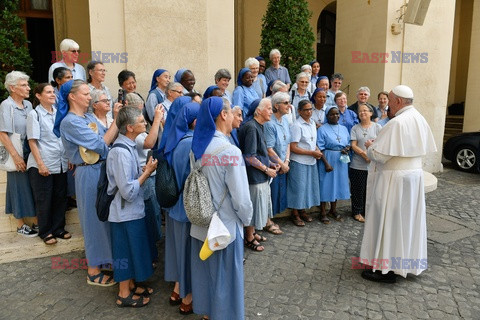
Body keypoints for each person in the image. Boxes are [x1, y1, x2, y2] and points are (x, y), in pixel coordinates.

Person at [360, 85, 436, 283]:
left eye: (390, 101)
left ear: (399, 102)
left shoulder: (397, 123)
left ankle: (387, 271)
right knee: (407, 221)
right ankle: (405, 263)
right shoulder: (419, 117)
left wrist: (370, 146)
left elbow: (379, 155)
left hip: (394, 179)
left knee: (390, 222)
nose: (387, 106)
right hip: (412, 177)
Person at [190, 96, 253, 320]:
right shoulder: (230, 152)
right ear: (223, 115)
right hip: (225, 227)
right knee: (226, 277)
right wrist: (247, 221)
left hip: (202, 222)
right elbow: (242, 199)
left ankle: (208, 314)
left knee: (207, 274)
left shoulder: (197, 146)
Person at [56, 79, 120, 286]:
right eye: (85, 94)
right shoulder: (71, 121)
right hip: (89, 173)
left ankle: (105, 261)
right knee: (93, 221)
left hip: (97, 170)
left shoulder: (85, 118)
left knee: (103, 219)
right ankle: (93, 270)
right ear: (72, 97)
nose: (89, 97)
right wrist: (117, 122)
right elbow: (100, 144)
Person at [107, 106, 158, 307]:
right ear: (129, 127)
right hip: (123, 213)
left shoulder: (127, 147)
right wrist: (147, 173)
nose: (144, 122)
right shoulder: (120, 152)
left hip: (130, 211)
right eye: (140, 121)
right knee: (124, 252)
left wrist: (142, 171)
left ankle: (131, 285)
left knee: (131, 250)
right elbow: (127, 191)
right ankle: (123, 294)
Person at [163, 102, 200, 315]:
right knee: (188, 254)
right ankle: (187, 297)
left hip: (174, 205)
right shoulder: (190, 143)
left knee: (178, 250)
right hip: (188, 208)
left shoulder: (174, 139)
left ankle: (177, 288)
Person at [27, 83, 70, 245]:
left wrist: (68, 158)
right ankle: (45, 232)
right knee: (44, 199)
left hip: (60, 162)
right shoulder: (34, 114)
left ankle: (59, 228)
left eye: (54, 92)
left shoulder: (59, 113)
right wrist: (40, 164)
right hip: (43, 163)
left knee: (60, 197)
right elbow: (32, 141)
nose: (53, 94)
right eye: (49, 92)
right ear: (38, 96)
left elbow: (63, 138)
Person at [126, 93, 165, 262]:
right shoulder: (132, 127)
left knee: (154, 212)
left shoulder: (136, 126)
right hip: (144, 175)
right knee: (150, 213)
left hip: (148, 173)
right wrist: (156, 119)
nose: (143, 119)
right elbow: (149, 143)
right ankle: (151, 253)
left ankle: (152, 250)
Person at [0, 71, 38, 237]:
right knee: (17, 186)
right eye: (24, 85)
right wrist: (15, 156)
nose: (28, 88)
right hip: (16, 151)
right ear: (12, 88)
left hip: (29, 151)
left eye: (27, 84)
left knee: (29, 186)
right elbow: (3, 133)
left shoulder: (28, 105)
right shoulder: (6, 105)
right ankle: (20, 224)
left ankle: (36, 220)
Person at [238, 98, 278, 251]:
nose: (271, 111)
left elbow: (260, 153)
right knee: (253, 207)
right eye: (268, 108)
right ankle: (249, 237)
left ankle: (253, 233)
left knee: (257, 206)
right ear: (259, 111)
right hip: (254, 177)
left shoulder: (259, 126)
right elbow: (249, 157)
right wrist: (267, 169)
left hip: (259, 175)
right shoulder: (251, 127)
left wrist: (270, 163)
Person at [288, 100, 322, 226]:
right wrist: (311, 153)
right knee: (298, 188)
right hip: (299, 161)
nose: (309, 112)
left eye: (310, 109)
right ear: (299, 111)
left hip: (311, 161)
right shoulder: (297, 125)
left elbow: (313, 142)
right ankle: (295, 213)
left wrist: (316, 150)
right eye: (306, 110)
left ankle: (302, 210)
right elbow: (293, 147)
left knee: (306, 187)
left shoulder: (312, 123)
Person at [317, 106, 351, 224]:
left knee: (337, 185)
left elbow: (348, 142)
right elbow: (320, 148)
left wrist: (347, 148)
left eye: (337, 114)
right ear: (327, 116)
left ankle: (333, 209)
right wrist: (326, 163)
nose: (335, 116)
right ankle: (322, 212)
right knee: (326, 185)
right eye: (332, 114)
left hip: (341, 159)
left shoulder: (343, 128)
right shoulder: (322, 129)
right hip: (328, 158)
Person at [349, 104, 381, 223]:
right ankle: (357, 212)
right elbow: (353, 145)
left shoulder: (378, 127)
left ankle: (367, 211)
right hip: (358, 165)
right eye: (360, 111)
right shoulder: (355, 128)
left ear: (371, 113)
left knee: (371, 189)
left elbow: (381, 143)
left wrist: (371, 155)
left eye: (365, 111)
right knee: (358, 189)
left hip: (373, 165)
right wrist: (364, 154)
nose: (362, 113)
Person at [264, 92, 291, 233]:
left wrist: (286, 161)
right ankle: (266, 221)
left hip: (282, 163)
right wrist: (281, 163)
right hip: (273, 165)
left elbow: (287, 142)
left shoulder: (285, 120)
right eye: (286, 103)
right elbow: (269, 149)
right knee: (270, 194)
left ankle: (271, 218)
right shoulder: (270, 123)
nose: (289, 105)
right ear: (276, 105)